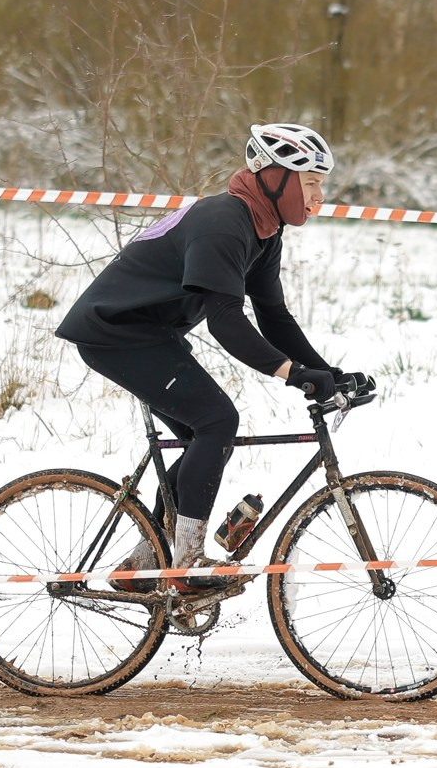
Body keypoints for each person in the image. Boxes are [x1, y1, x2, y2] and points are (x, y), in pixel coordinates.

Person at [56, 122, 360, 591]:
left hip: (151, 332)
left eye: (321, 184)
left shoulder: (264, 230)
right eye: (311, 183)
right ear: (273, 177)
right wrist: (292, 374)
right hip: (113, 331)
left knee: (205, 433)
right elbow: (225, 319)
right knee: (217, 421)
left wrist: (328, 373)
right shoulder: (224, 221)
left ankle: (142, 564)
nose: (319, 195)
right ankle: (187, 562)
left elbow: (273, 316)